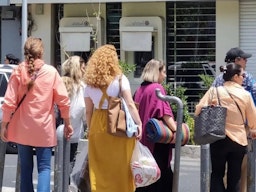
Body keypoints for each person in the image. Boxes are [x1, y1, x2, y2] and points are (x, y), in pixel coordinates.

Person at [0, 37, 73, 192]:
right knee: (44, 168)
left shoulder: (18, 71)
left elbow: (9, 102)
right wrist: (67, 123)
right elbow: (63, 101)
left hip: (22, 128)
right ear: (42, 52)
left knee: (26, 169)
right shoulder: (51, 72)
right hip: (44, 128)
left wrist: (4, 125)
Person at [84, 44, 142, 192]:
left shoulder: (89, 84)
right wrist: (139, 123)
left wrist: (90, 130)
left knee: (99, 167)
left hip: (98, 123)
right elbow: (129, 103)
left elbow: (88, 112)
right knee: (121, 166)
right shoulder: (120, 80)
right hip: (117, 124)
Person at [195, 63, 256, 192]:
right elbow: (253, 120)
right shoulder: (245, 95)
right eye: (242, 75)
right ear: (235, 76)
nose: (244, 78)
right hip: (239, 140)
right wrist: (253, 130)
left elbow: (198, 109)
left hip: (218, 137)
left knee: (217, 174)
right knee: (235, 176)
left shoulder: (214, 91)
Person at [212, 47, 255, 192]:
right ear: (237, 60)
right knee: (238, 173)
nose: (246, 61)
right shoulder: (246, 77)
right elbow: (253, 102)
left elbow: (205, 104)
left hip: (218, 130)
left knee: (218, 173)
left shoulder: (219, 79)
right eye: (244, 58)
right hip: (240, 131)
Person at [133, 59, 177, 192]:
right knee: (161, 177)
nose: (165, 75)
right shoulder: (157, 89)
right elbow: (165, 114)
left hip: (142, 139)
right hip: (157, 140)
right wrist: (177, 129)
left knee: (145, 176)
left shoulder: (140, 89)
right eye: (163, 72)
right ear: (156, 72)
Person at [61, 55, 86, 173]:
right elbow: (84, 111)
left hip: (58, 132)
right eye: (83, 68)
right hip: (75, 133)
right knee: (71, 166)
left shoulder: (60, 83)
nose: (85, 71)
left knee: (61, 166)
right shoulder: (82, 87)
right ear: (77, 69)